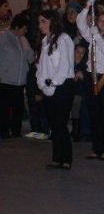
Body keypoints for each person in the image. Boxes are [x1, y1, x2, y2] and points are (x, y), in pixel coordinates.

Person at [77, 0, 104, 161]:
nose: (102, 23)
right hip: (91, 76)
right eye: (100, 20)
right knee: (93, 113)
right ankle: (96, 147)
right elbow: (80, 24)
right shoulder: (92, 35)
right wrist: (88, 5)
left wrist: (97, 36)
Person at [36, 10, 75, 171]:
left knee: (60, 123)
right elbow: (41, 66)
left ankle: (66, 159)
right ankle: (57, 158)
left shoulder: (63, 39)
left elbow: (64, 66)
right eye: (39, 22)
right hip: (49, 86)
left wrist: (53, 84)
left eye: (44, 21)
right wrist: (42, 84)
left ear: (53, 21)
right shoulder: (46, 40)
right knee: (54, 124)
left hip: (62, 86)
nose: (40, 25)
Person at [0, 14, 34, 139]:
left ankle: (15, 131)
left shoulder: (22, 39)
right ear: (18, 27)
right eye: (24, 29)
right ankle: (3, 132)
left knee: (17, 109)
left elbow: (30, 58)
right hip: (5, 80)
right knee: (4, 108)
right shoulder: (3, 36)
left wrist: (25, 43)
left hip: (19, 82)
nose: (25, 32)